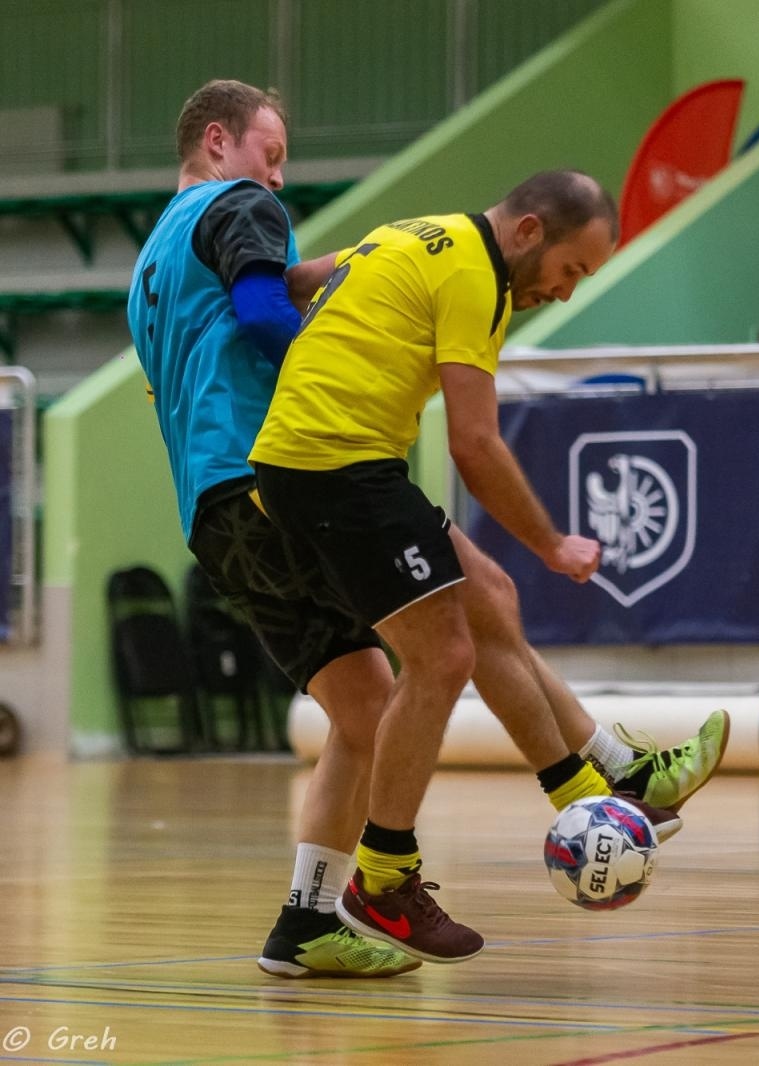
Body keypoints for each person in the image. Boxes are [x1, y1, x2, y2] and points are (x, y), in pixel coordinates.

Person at [129, 82, 726, 975]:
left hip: (213, 506)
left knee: (372, 706)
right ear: (218, 143)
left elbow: (269, 293)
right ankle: (593, 779)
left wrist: (353, 270)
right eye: (272, 152)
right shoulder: (239, 203)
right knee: (470, 614)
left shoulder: (153, 253)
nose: (278, 178)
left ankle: (305, 922)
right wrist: (336, 358)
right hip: (278, 467)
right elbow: (262, 311)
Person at [249, 169, 681, 964]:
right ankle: (382, 881)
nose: (566, 290)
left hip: (314, 465)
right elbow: (474, 445)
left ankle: (597, 787)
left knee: (488, 598)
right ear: (527, 233)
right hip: (338, 468)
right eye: (570, 270)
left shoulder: (410, 233)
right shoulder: (475, 278)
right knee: (442, 655)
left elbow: (303, 278)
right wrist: (555, 544)